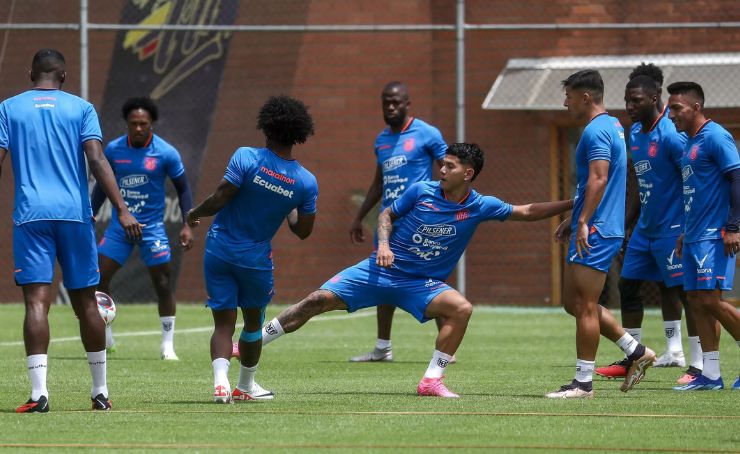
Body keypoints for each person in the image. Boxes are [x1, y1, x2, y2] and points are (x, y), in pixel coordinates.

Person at [260, 143, 574, 397]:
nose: (442, 169)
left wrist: (574, 203)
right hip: (381, 270)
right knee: (316, 300)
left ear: (468, 173)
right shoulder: (421, 191)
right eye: (442, 164)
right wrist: (383, 244)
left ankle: (431, 381)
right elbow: (386, 215)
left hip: (421, 283)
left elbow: (528, 210)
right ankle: (249, 344)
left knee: (461, 309)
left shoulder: (480, 205)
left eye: (450, 166)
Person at [0, 49, 142, 412]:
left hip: (31, 216)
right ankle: (100, 393)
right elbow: (96, 159)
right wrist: (122, 210)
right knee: (86, 303)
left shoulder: (8, 108)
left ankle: (38, 395)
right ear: (63, 75)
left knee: (36, 304)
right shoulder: (81, 108)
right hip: (75, 216)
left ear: (31, 72)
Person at [187, 95, 318, 403]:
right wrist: (289, 207)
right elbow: (303, 231)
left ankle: (220, 383)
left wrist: (194, 214)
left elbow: (221, 196)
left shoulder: (246, 156)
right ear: (299, 134)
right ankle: (245, 386)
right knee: (252, 323)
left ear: (267, 127)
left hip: (219, 248)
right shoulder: (305, 182)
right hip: (255, 259)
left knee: (223, 323)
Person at [550, 69, 656, 399]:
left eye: (568, 96)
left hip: (596, 230)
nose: (565, 102)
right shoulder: (611, 125)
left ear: (585, 97)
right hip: (597, 225)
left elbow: (598, 180)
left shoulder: (595, 131)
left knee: (583, 305)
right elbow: (594, 184)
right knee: (575, 303)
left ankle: (583, 384)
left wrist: (582, 220)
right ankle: (636, 352)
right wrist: (576, 217)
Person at [596, 68, 702, 385]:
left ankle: (698, 366)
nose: (629, 106)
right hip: (645, 229)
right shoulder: (635, 133)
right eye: (627, 101)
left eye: (635, 100)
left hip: (673, 228)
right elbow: (644, 186)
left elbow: (693, 180)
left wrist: (692, 223)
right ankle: (634, 356)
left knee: (685, 293)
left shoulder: (670, 134)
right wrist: (626, 225)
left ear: (654, 99)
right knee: (628, 286)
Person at [348, 81, 447, 363]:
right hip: (390, 221)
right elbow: (378, 184)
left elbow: (449, 170)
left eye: (396, 102)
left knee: (428, 278)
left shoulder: (427, 133)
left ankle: (446, 348)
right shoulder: (381, 140)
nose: (391, 107)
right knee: (384, 277)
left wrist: (441, 206)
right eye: (386, 103)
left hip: (419, 219)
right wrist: (358, 217)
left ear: (407, 103)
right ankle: (382, 348)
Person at [91, 97, 194, 360]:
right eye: (133, 123)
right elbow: (102, 185)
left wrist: (187, 224)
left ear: (152, 125)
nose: (138, 128)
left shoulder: (166, 152)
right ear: (127, 123)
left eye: (143, 124)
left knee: (162, 283)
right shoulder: (113, 150)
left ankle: (167, 345)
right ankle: (107, 335)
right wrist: (91, 212)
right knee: (100, 278)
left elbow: (183, 189)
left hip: (152, 229)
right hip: (119, 228)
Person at [666, 81, 740, 391]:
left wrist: (734, 227)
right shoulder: (687, 143)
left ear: (696, 107)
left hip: (715, 235)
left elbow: (737, 177)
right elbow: (692, 193)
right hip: (694, 235)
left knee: (711, 300)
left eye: (677, 109)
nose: (671, 115)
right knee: (696, 301)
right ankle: (710, 375)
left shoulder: (716, 136)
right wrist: (684, 232)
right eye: (669, 109)